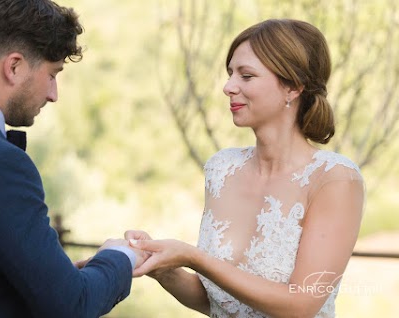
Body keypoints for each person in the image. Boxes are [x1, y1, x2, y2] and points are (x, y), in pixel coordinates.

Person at [0, 0, 147, 317]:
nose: (53, 94)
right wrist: (118, 257)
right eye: (52, 74)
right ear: (14, 67)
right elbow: (73, 305)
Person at [126, 19, 364, 317]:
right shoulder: (221, 169)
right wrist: (160, 266)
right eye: (230, 74)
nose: (228, 87)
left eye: (246, 76)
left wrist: (193, 257)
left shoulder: (335, 179)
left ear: (292, 87)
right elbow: (215, 300)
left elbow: (301, 305)